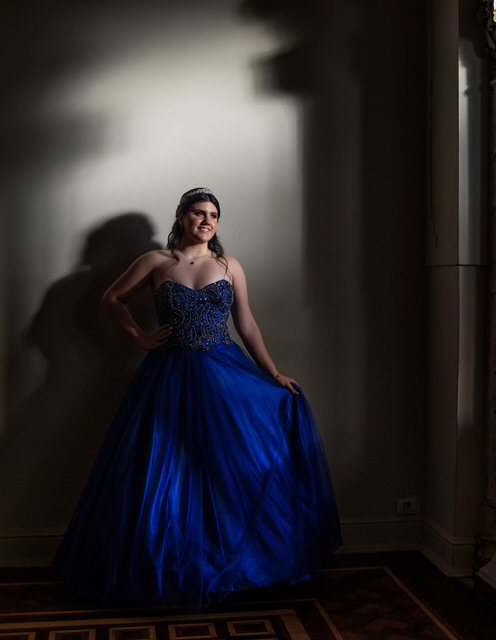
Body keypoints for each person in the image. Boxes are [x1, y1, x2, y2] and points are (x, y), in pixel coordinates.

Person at [53, 187, 341, 609]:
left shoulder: (229, 266)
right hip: (169, 375)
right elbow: (111, 299)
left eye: (213, 215)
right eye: (198, 212)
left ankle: (237, 564)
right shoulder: (155, 262)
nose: (207, 220)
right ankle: (163, 567)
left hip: (222, 375)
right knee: (163, 470)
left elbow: (246, 324)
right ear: (181, 217)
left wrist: (273, 373)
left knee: (227, 469)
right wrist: (141, 339)